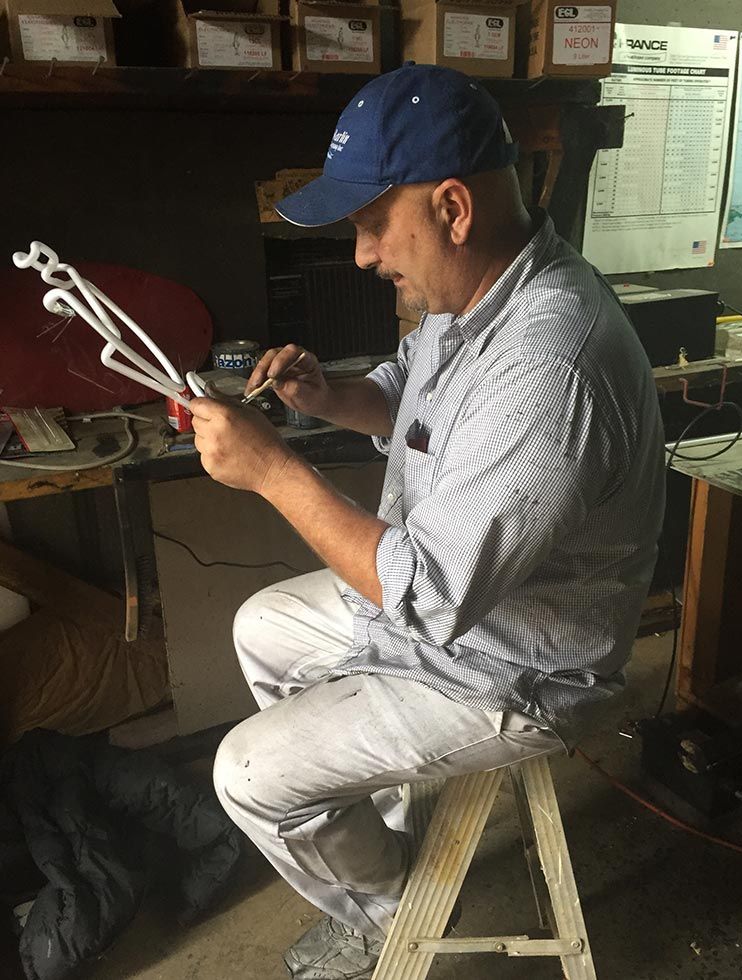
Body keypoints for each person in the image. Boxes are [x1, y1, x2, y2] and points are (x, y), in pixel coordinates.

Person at [188, 63, 665, 980]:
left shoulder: (550, 364)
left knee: (246, 777)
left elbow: (429, 591)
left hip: (514, 665)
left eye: (372, 223)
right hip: (450, 607)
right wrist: (330, 398)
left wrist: (274, 472)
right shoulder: (473, 293)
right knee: (258, 628)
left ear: (453, 207)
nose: (362, 254)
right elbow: (408, 395)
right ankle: (379, 838)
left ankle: (390, 912)